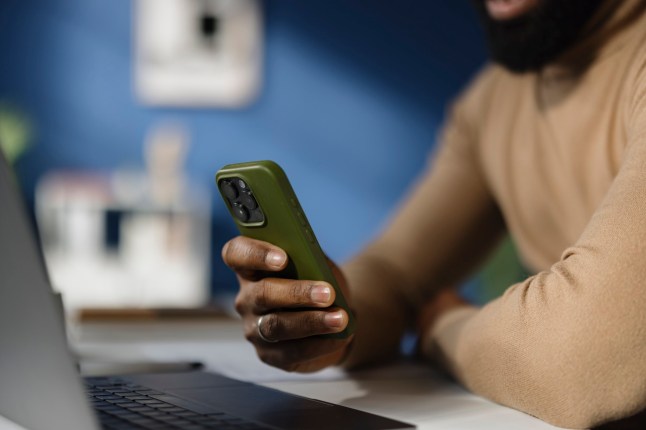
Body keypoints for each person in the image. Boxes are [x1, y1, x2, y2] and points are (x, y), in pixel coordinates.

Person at [221, 0, 646, 428]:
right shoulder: (495, 98)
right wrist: (326, 323)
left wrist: (442, 328)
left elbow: (575, 358)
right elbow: (396, 274)